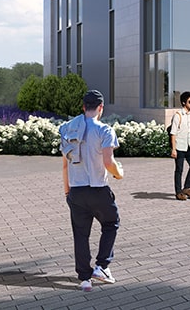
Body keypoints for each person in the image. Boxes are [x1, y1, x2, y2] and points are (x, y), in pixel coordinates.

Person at [60, 89, 123, 291]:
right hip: (98, 189)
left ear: (83, 107)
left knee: (80, 234)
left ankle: (85, 279)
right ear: (101, 107)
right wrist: (118, 173)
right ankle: (102, 266)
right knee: (111, 223)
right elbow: (108, 161)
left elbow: (64, 165)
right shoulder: (104, 130)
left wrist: (67, 192)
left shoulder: (68, 129)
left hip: (76, 190)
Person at [169, 91, 190, 200]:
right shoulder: (178, 115)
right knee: (179, 169)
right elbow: (173, 133)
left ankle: (187, 188)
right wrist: (174, 149)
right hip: (179, 146)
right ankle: (178, 192)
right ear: (183, 102)